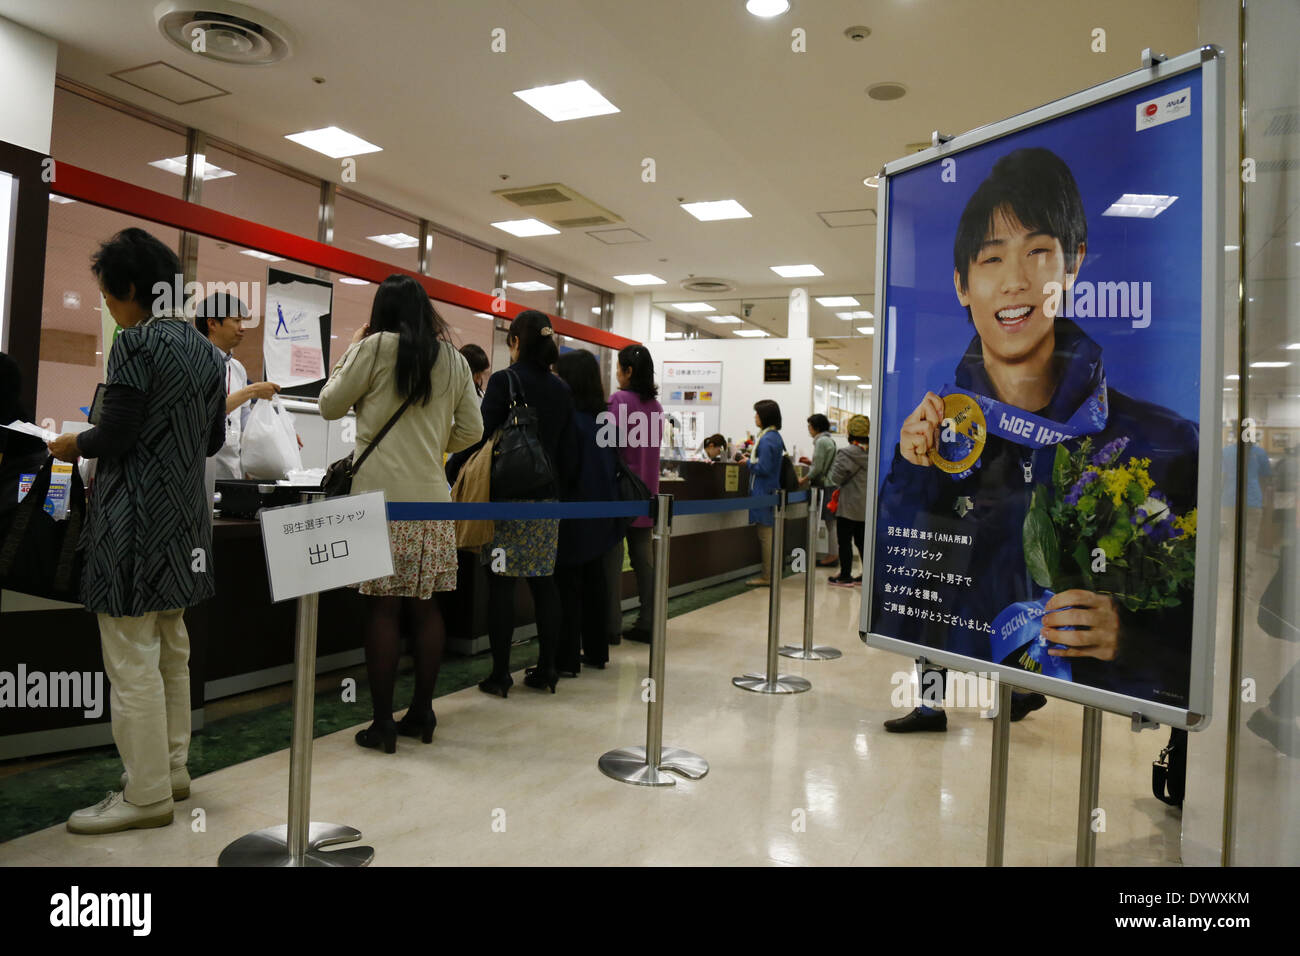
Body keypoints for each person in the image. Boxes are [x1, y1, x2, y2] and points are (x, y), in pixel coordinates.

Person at [876, 147, 1198, 732]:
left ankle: (1023, 689)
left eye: (1039, 252)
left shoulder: (1165, 443)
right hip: (963, 650)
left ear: (1072, 265)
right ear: (962, 285)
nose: (1016, 281)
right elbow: (901, 577)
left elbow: (1197, 633)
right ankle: (929, 702)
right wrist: (912, 468)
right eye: (991, 259)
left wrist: (1129, 637)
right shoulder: (943, 435)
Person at [46, 228, 225, 833]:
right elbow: (212, 441)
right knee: (172, 647)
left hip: (134, 522)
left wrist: (74, 441)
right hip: (186, 522)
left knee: (130, 657)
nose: (109, 309)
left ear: (128, 289)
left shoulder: (136, 343)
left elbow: (115, 434)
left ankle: (145, 794)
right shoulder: (206, 352)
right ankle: (171, 771)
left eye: (108, 296)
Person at [319, 275, 482, 752]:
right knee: (426, 606)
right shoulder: (452, 359)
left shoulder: (372, 350)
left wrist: (352, 348)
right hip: (432, 501)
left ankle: (382, 724)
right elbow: (472, 430)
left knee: (382, 609)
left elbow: (329, 405)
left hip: (379, 502)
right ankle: (423, 713)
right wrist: (433, 447)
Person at [446, 310, 578, 695]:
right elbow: (569, 450)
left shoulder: (506, 381)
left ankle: (500, 674)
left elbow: (478, 434)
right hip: (547, 500)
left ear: (516, 342)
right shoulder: (561, 389)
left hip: (505, 498)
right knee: (544, 584)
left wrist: (453, 470)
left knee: (501, 586)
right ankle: (547, 669)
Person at [554, 349, 620, 673]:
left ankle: (566, 659)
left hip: (573, 511)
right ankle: (596, 651)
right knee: (596, 584)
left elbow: (566, 469)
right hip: (603, 510)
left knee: (567, 586)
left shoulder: (570, 421)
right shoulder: (605, 419)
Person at [193, 292, 283, 479]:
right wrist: (253, 390)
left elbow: (243, 417)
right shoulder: (195, 364)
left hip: (231, 471)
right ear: (212, 323)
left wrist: (276, 435)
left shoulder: (237, 368)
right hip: (201, 469)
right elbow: (205, 411)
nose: (242, 328)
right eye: (236, 321)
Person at [608, 344, 662, 643]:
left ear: (628, 371)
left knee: (613, 561)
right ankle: (649, 621)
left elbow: (608, 446)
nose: (617, 373)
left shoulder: (618, 400)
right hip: (647, 493)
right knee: (645, 561)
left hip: (620, 494)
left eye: (619, 368)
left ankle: (611, 625)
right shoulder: (656, 408)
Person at [742, 399, 785, 587]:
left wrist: (747, 463)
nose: (755, 417)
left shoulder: (767, 439)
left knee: (765, 535)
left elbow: (764, 467)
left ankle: (768, 576)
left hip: (763, 490)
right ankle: (771, 573)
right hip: (768, 489)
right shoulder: (774, 437)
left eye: (757, 414)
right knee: (769, 534)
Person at [0, 352, 48, 507]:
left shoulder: (4, 365)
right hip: (19, 452)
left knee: (12, 520)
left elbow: (3, 417)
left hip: (22, 458)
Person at [827, 414, 869, 586]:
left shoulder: (845, 453)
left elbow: (835, 478)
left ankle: (845, 575)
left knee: (844, 541)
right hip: (866, 506)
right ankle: (866, 575)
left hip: (849, 505)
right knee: (862, 542)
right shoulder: (874, 452)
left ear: (849, 433)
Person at [801, 413, 840, 567]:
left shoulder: (821, 441)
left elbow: (818, 468)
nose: (809, 430)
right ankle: (833, 554)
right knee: (832, 522)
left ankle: (832, 556)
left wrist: (803, 479)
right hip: (833, 483)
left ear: (816, 427)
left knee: (830, 522)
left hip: (828, 485)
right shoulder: (829, 440)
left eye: (810, 426)